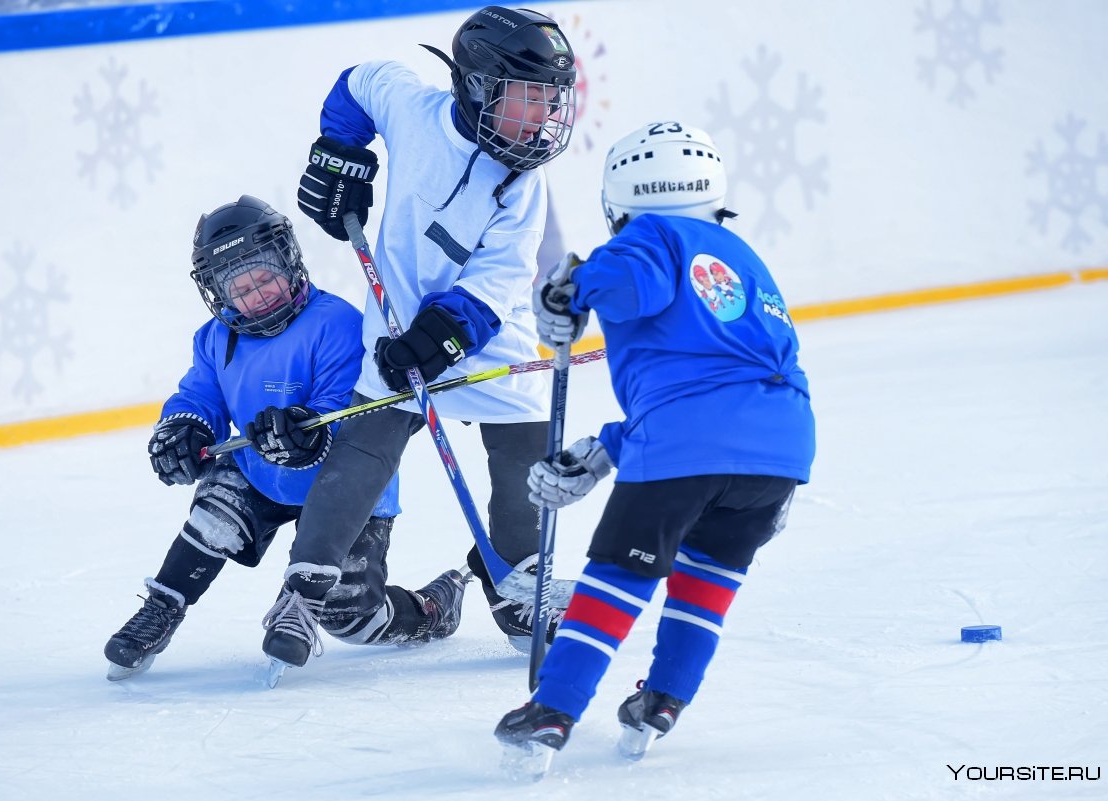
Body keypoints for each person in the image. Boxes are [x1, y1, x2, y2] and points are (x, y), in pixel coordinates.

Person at [493, 122, 817, 775]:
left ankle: (553, 709)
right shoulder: (743, 258)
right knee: (709, 578)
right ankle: (663, 700)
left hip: (686, 443)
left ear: (621, 202)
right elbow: (719, 383)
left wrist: (570, 288)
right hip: (781, 448)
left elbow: (631, 283)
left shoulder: (649, 234)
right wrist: (610, 448)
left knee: (620, 574)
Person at [259, 5, 580, 664]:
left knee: (525, 453)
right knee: (363, 447)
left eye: (551, 100)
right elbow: (357, 83)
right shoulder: (412, 109)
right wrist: (339, 154)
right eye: (527, 99)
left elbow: (495, 282)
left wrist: (439, 340)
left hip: (488, 334)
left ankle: (517, 582)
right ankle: (303, 587)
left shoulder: (523, 183)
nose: (543, 118)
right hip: (394, 322)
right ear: (477, 86)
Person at [102, 195, 468, 682]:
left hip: (347, 487)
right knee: (216, 511)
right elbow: (200, 394)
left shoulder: (336, 323)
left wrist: (310, 431)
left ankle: (428, 610)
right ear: (218, 294)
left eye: (265, 277)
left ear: (289, 262)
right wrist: (186, 427)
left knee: (350, 618)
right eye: (242, 288)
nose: (258, 295)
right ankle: (162, 607)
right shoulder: (214, 338)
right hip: (260, 471)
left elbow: (347, 407)